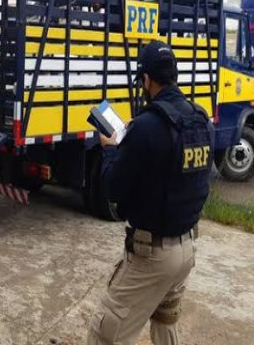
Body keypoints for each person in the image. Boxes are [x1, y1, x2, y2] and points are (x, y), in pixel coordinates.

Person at [86, 40, 214, 345]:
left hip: (153, 256)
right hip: (186, 249)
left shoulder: (146, 127)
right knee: (164, 323)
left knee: (104, 334)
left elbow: (114, 188)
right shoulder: (199, 119)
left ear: (146, 80)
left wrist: (111, 150)